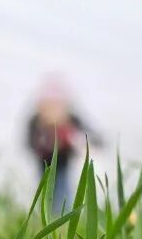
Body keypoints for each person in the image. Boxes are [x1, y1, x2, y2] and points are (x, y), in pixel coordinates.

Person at [24, 77, 100, 214]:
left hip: (64, 166)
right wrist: (45, 144)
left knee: (63, 191)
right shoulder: (35, 122)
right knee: (45, 192)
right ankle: (46, 216)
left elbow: (96, 138)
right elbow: (29, 143)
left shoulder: (72, 121)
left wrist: (74, 140)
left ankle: (64, 215)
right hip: (44, 167)